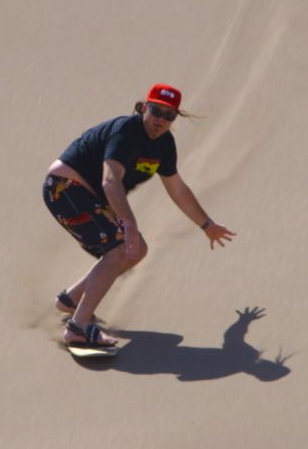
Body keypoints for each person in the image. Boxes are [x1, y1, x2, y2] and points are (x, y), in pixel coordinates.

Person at [42, 83, 236, 347]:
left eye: (169, 115)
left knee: (137, 249)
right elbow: (110, 181)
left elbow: (177, 189)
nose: (161, 120)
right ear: (144, 107)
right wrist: (129, 223)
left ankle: (71, 300)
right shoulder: (127, 132)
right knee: (121, 248)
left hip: (86, 195)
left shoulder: (164, 145)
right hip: (65, 188)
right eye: (156, 111)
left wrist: (206, 224)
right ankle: (77, 327)